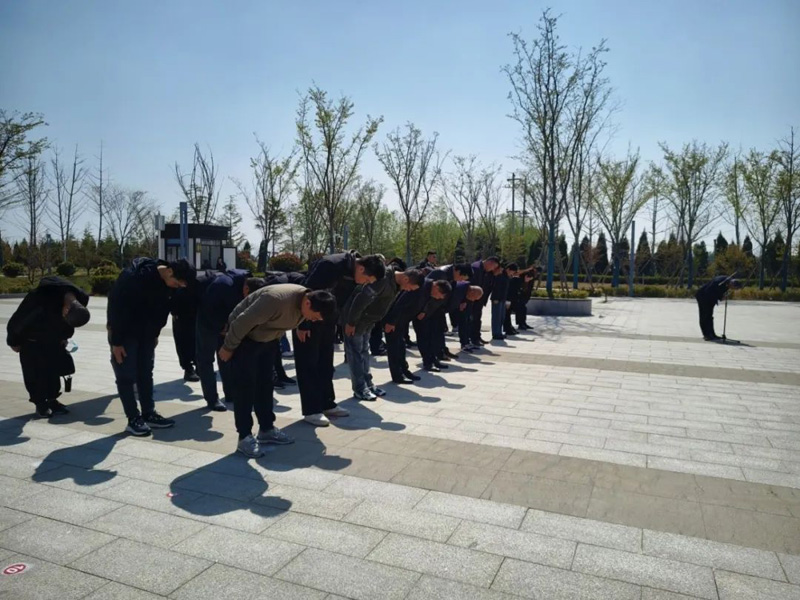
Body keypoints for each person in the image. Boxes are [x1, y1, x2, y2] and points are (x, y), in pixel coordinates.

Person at [218, 284, 337, 457]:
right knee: (245, 388)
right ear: (308, 304)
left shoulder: (306, 304)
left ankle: (266, 429)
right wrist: (228, 347)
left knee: (266, 385)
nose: (314, 320)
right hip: (245, 339)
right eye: (316, 316)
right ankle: (244, 437)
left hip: (268, 340)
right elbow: (241, 322)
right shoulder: (275, 300)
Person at [294, 251, 386, 426]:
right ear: (361, 268)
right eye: (367, 279)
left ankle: (327, 403)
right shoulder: (331, 265)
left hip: (328, 321)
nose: (365, 283)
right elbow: (306, 294)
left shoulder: (353, 274)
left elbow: (343, 302)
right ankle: (311, 410)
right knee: (308, 364)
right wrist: (302, 324)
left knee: (326, 363)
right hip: (308, 319)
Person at [107, 257, 196, 436]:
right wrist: (116, 342)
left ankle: (148, 413)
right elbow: (116, 309)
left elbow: (162, 312)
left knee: (146, 373)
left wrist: (155, 335)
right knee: (126, 375)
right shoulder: (133, 277)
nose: (178, 287)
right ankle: (133, 418)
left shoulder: (170, 286)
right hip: (125, 334)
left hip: (147, 335)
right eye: (177, 283)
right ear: (169, 271)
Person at [7, 277, 91, 418]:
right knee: (34, 374)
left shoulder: (79, 300)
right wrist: (13, 341)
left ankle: (52, 400)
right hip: (31, 340)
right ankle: (40, 403)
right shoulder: (40, 298)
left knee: (53, 372)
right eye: (64, 315)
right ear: (67, 308)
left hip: (53, 340)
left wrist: (64, 337)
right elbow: (19, 320)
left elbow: (68, 324)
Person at [342, 265, 423, 400]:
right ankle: (360, 389)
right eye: (410, 288)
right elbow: (360, 300)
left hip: (367, 321)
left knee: (364, 352)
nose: (408, 290)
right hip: (356, 321)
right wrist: (351, 323)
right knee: (356, 355)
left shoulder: (395, 285)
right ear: (406, 279)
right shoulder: (383, 279)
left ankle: (368, 384)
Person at [195, 269, 260, 411]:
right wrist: (221, 327)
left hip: (225, 320)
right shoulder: (222, 285)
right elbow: (207, 309)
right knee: (206, 360)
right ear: (246, 289)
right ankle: (212, 399)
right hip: (207, 321)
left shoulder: (249, 283)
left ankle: (231, 393)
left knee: (226, 357)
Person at [425, 264, 472, 360]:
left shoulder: (451, 277)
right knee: (432, 331)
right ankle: (434, 355)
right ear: (458, 272)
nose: (460, 280)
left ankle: (442, 351)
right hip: (430, 308)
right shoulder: (440, 274)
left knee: (440, 330)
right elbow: (427, 291)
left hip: (439, 308)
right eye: (461, 278)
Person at [412, 279, 452, 372]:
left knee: (432, 340)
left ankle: (434, 360)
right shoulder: (424, 286)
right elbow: (420, 301)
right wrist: (422, 311)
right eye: (440, 295)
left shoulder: (432, 289)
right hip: (420, 317)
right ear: (437, 287)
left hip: (429, 316)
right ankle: (427, 363)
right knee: (424, 341)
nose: (440, 298)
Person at [695, 275, 742, 340]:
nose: (731, 289)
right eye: (733, 288)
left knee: (710, 316)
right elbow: (710, 291)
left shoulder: (727, 282)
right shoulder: (719, 282)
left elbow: (718, 292)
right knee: (704, 316)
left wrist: (721, 297)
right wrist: (720, 297)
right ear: (732, 284)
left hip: (709, 298)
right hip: (703, 296)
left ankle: (712, 334)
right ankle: (706, 335)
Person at [170, 283, 201, 382]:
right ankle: (188, 369)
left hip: (195, 312)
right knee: (183, 342)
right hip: (181, 314)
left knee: (198, 341)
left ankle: (199, 366)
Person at [469, 256, 500, 346]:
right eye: (493, 267)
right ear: (489, 262)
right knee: (472, 319)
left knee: (477, 319)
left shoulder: (486, 271)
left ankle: (477, 337)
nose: (493, 269)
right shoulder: (476, 268)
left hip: (479, 299)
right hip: (473, 298)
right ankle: (472, 339)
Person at [459, 286, 484, 352]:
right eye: (474, 298)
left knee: (469, 322)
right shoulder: (462, 291)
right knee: (463, 324)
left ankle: (467, 342)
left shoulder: (470, 298)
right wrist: (463, 301)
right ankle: (464, 344)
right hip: (461, 306)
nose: (474, 300)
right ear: (472, 292)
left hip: (467, 305)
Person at [491, 263, 512, 340]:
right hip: (497, 299)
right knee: (496, 317)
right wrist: (495, 298)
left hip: (503, 299)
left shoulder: (506, 276)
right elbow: (496, 288)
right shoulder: (499, 276)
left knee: (501, 317)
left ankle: (499, 332)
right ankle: (496, 333)